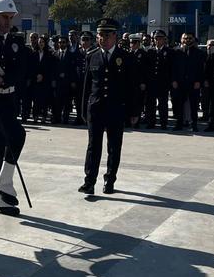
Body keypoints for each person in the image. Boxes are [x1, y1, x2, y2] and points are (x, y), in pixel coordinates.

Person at [78, 18, 140, 195]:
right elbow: (87, 86)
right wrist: (83, 109)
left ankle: (110, 180)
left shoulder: (126, 57)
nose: (102, 39)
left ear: (115, 36)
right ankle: (89, 181)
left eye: (106, 35)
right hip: (96, 108)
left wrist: (134, 111)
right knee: (93, 146)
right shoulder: (92, 56)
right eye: (99, 35)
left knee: (113, 147)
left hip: (116, 109)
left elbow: (132, 86)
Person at [0, 0, 28, 216]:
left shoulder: (17, 41)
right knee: (18, 135)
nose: (7, 22)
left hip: (9, 97)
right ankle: (5, 184)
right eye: (4, 17)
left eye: (10, 18)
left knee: (0, 141)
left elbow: (21, 70)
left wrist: (4, 79)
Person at [147, 30, 176, 129]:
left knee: (163, 104)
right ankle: (151, 122)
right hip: (152, 82)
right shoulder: (150, 51)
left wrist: (172, 81)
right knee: (151, 104)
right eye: (156, 38)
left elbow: (172, 68)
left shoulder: (170, 52)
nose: (158, 40)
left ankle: (163, 123)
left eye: (160, 38)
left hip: (163, 82)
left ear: (164, 39)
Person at [178, 33, 206, 131]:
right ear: (183, 40)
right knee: (180, 104)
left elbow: (201, 69)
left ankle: (194, 125)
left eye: (190, 38)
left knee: (194, 105)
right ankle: (179, 124)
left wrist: (199, 81)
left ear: (193, 39)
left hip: (194, 83)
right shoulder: (178, 52)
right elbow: (175, 68)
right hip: (181, 83)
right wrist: (174, 80)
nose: (188, 40)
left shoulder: (199, 53)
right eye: (186, 38)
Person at [52, 35, 77, 125]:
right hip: (58, 82)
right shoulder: (55, 54)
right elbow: (53, 69)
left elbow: (73, 69)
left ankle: (65, 119)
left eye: (63, 42)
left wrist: (72, 81)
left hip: (67, 82)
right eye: (59, 42)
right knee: (57, 102)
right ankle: (57, 118)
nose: (61, 44)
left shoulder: (71, 55)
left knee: (67, 102)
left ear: (66, 43)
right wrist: (54, 80)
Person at [127, 33, 150, 128]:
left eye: (133, 43)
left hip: (138, 83)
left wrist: (143, 82)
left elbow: (145, 70)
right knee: (129, 101)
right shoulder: (128, 54)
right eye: (130, 43)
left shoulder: (143, 54)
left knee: (138, 103)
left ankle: (136, 121)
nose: (131, 45)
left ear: (137, 43)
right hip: (129, 83)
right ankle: (129, 120)